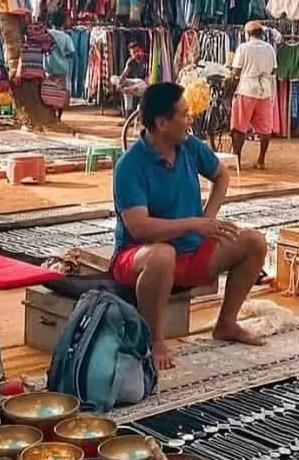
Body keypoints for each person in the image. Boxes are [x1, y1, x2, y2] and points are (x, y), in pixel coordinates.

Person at [112, 82, 267, 369]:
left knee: (253, 241)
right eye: (183, 114)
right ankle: (155, 339)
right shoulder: (129, 166)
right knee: (161, 256)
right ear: (161, 123)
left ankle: (226, 324)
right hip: (138, 257)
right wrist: (194, 225)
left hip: (191, 252)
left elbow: (221, 176)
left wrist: (208, 218)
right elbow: (139, 228)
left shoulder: (190, 147)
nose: (189, 120)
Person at [230, 21, 277, 169]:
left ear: (247, 34)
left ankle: (237, 159)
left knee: (238, 127)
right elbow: (274, 71)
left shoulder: (243, 48)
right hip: (265, 91)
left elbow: (236, 71)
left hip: (246, 89)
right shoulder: (270, 49)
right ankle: (261, 160)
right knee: (265, 129)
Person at [115, 42, 149, 116]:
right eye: (134, 52)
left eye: (138, 51)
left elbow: (148, 80)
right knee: (114, 78)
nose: (137, 54)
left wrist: (131, 87)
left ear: (142, 50)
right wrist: (119, 83)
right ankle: (128, 116)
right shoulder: (131, 61)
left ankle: (128, 89)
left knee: (139, 83)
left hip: (144, 86)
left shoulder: (148, 59)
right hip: (134, 84)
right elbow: (124, 74)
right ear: (131, 54)